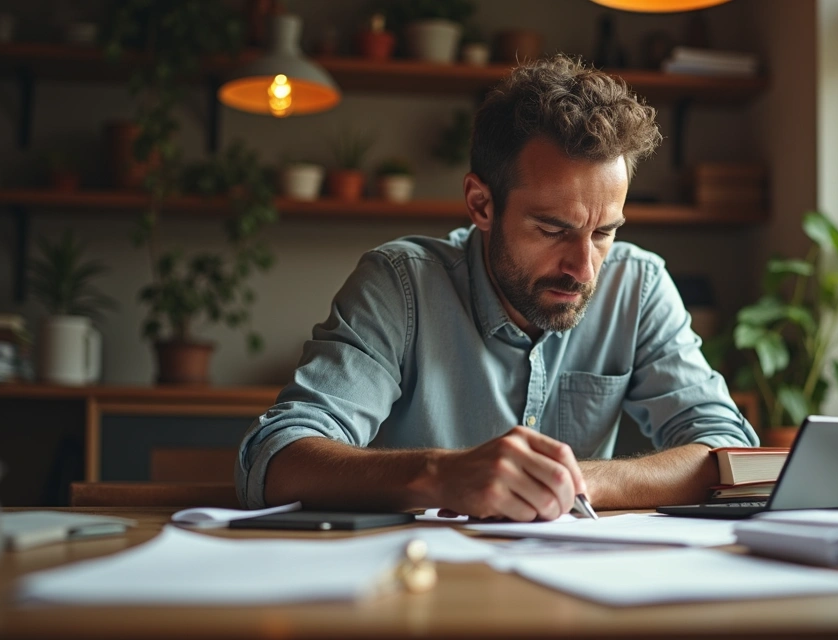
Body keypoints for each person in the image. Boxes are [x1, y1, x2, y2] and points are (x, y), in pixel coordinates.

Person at [236, 55, 758, 521]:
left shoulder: (637, 285)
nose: (583, 268)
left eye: (603, 233)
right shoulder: (401, 284)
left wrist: (578, 483)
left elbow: (728, 452)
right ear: (481, 204)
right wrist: (444, 476)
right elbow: (277, 456)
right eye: (553, 229)